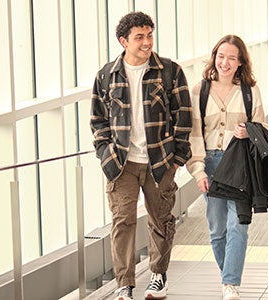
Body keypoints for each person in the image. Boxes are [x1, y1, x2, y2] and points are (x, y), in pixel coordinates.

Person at [90, 11, 192, 300]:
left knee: (160, 219)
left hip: (160, 162)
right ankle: (125, 282)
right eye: (139, 37)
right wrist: (106, 157)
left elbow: (183, 116)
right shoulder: (106, 75)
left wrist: (176, 159)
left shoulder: (170, 71)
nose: (147, 42)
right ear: (124, 41)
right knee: (123, 221)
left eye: (149, 35)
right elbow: (98, 121)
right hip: (122, 165)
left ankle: (158, 275)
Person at [186, 34, 266, 300]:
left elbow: (261, 127)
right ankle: (226, 279)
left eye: (232, 57)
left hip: (239, 165)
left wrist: (248, 132)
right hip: (210, 163)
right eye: (221, 56)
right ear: (214, 57)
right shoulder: (200, 90)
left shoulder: (249, 90)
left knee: (238, 225)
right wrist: (198, 170)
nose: (225, 62)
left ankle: (231, 283)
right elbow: (193, 134)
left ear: (241, 61)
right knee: (217, 229)